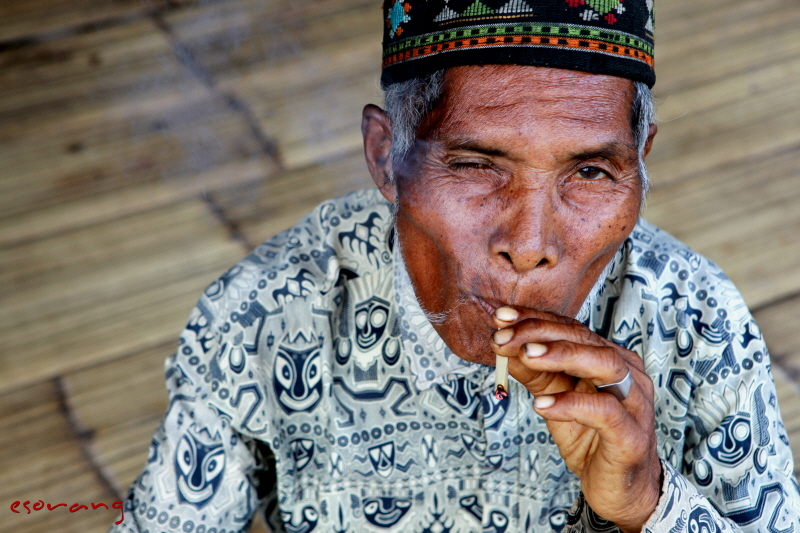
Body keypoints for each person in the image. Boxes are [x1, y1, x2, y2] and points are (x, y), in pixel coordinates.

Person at [109, 1, 800, 532]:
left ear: (641, 160)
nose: (529, 243)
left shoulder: (698, 322)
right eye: (474, 164)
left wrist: (649, 505)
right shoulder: (265, 315)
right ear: (385, 155)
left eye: (591, 171)